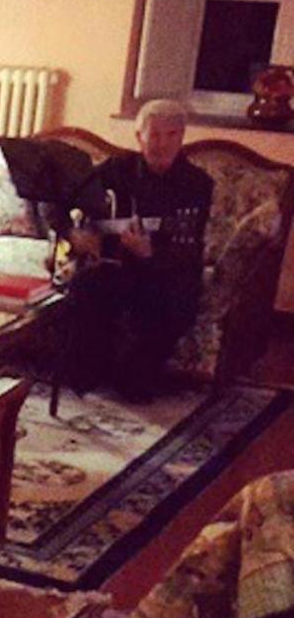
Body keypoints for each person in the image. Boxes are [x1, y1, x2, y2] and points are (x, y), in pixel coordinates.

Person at [62, 99, 213, 401]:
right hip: (118, 266)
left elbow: (190, 252)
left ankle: (133, 372)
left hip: (169, 274)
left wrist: (150, 254)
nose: (162, 143)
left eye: (171, 135)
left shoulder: (197, 184)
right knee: (86, 285)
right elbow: (67, 199)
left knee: (136, 387)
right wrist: (76, 233)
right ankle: (83, 375)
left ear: (181, 138)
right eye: (154, 134)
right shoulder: (117, 169)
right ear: (139, 137)